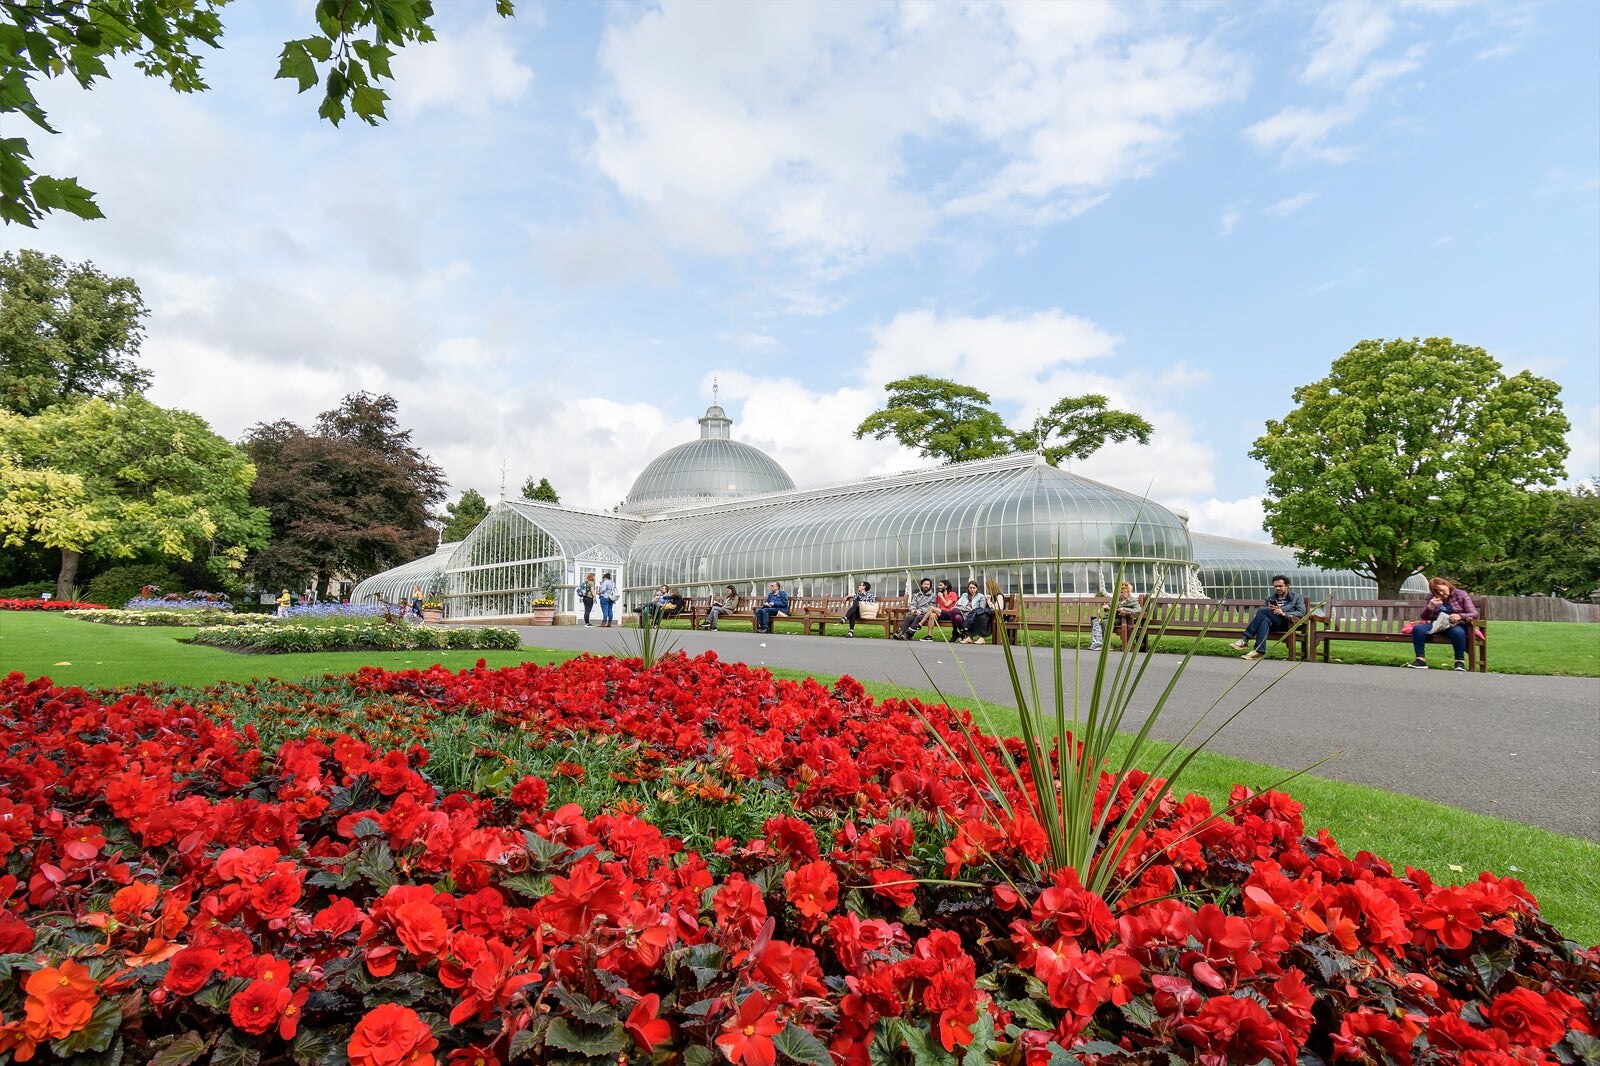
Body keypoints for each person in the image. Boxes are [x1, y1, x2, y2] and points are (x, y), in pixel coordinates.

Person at [1407, 576, 1479, 671]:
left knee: (1457, 632)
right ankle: (1420, 660)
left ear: (1446, 585)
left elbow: (1474, 613)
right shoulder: (1431, 597)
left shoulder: (1460, 594)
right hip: (1437, 625)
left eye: (1441, 590)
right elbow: (1424, 617)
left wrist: (1460, 616)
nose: (1440, 593)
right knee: (1418, 629)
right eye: (1437, 592)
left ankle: (1459, 662)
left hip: (1455, 625)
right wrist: (1430, 607)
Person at [1229, 575, 1306, 660]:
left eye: (1280, 586)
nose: (1278, 588)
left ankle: (1245, 639)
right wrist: (1271, 609)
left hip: (1288, 624)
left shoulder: (1297, 597)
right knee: (1265, 620)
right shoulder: (1270, 598)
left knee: (1263, 611)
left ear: (1287, 586)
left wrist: (1284, 613)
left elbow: (1301, 612)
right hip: (1272, 624)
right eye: (1276, 586)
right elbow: (1265, 615)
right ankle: (1259, 651)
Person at [1112, 581, 1145, 652]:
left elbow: (1138, 610)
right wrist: (1107, 606)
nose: (1121, 594)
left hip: (1124, 619)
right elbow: (1110, 605)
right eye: (1120, 592)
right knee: (1096, 622)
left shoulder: (1132, 600)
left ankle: (1101, 644)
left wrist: (1124, 609)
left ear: (1128, 592)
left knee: (1106, 623)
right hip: (1114, 617)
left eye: (1123, 592)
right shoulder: (1118, 600)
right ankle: (1097, 644)